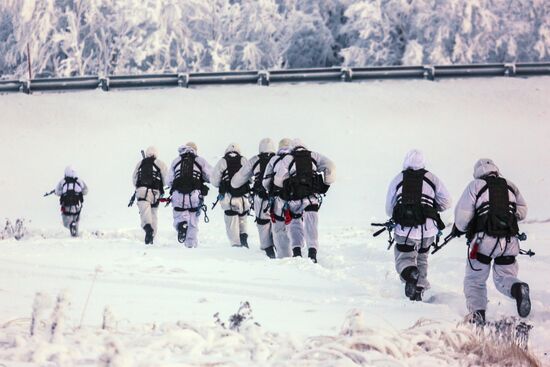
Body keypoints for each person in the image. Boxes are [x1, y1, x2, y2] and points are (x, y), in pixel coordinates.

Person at [452, 158, 530, 324]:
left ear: (477, 173)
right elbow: (522, 212)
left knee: (475, 280)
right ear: (496, 170)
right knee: (505, 276)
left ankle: (477, 316)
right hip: (509, 241)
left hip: (482, 242)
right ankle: (518, 289)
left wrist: (461, 228)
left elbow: (462, 218)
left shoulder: (475, 186)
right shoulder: (510, 185)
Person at [385, 149, 451, 301]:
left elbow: (389, 208)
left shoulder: (398, 179)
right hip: (428, 230)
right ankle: (418, 291)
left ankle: (411, 275)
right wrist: (431, 209)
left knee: (404, 258)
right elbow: (447, 202)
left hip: (405, 229)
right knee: (422, 258)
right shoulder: (432, 179)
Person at [268, 139, 335, 263]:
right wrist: (326, 184)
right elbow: (330, 166)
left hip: (294, 199)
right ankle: (312, 253)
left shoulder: (288, 159)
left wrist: (277, 190)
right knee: (312, 225)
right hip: (311, 199)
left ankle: (297, 251)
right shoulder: (314, 156)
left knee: (294, 223)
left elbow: (279, 179)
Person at [231, 138, 277, 258]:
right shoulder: (279, 159)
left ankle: (268, 249)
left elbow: (236, 181)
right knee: (278, 221)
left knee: (263, 222)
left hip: (261, 198)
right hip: (278, 196)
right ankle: (280, 246)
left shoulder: (254, 160)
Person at [167, 142, 212, 247]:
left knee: (179, 214)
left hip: (177, 194)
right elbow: (211, 176)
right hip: (194, 194)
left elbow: (169, 181)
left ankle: (181, 225)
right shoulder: (200, 161)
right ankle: (190, 244)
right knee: (193, 220)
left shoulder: (176, 161)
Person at [211, 143, 251, 247]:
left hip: (229, 197)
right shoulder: (243, 160)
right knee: (243, 217)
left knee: (231, 221)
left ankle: (236, 245)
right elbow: (250, 178)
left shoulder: (222, 161)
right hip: (243, 197)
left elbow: (214, 181)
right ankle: (243, 237)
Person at [262, 138, 294, 258]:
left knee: (280, 228)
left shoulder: (274, 160)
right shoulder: (296, 159)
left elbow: (265, 182)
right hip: (295, 198)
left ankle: (283, 256)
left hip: (278, 199)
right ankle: (297, 253)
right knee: (294, 225)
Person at [131, 146, 168, 245]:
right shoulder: (160, 163)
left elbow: (134, 179)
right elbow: (166, 179)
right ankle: (152, 237)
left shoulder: (140, 163)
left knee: (145, 213)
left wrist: (140, 186)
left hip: (142, 191)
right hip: (155, 193)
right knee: (153, 214)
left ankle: (148, 229)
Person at [54, 166, 88, 237]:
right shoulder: (79, 181)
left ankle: (71, 226)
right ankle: (75, 235)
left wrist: (63, 193)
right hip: (77, 206)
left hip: (66, 206)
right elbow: (86, 191)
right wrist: (78, 192)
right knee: (76, 220)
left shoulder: (62, 181)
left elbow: (57, 192)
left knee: (66, 222)